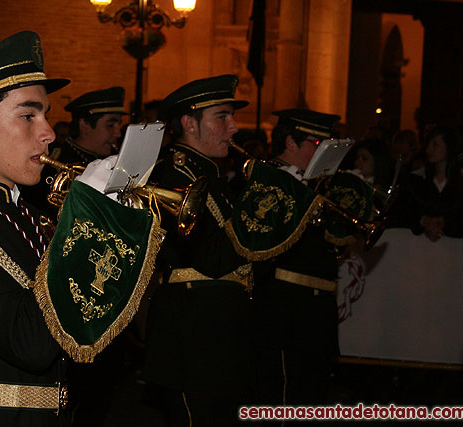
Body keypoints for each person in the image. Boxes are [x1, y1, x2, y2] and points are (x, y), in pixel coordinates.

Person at [0, 31, 152, 427]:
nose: (49, 132)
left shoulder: (29, 216)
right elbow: (30, 343)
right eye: (28, 115)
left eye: (46, 114)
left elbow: (82, 320)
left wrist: (110, 223)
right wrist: (84, 222)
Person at [142, 75, 253, 426]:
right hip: (193, 332)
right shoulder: (173, 173)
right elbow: (211, 256)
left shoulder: (212, 174)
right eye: (222, 117)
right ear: (189, 123)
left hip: (220, 330)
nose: (233, 127)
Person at [251, 108, 341, 407]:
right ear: (291, 142)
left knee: (314, 392)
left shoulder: (318, 183)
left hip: (318, 303)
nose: (323, 152)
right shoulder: (270, 179)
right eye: (317, 144)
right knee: (285, 394)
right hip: (285, 307)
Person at [20, 87, 126, 210]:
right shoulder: (56, 165)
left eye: (119, 124)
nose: (118, 133)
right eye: (110, 125)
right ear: (84, 125)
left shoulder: (113, 158)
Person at [400, 125, 463, 241]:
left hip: (458, 250)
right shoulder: (416, 180)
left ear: (450, 147)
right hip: (419, 250)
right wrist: (424, 221)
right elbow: (405, 212)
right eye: (428, 144)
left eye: (435, 144)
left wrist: (444, 223)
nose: (428, 150)